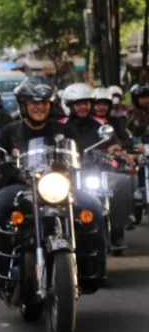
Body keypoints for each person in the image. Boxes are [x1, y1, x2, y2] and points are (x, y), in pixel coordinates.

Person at [0, 79, 107, 294]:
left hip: (59, 185)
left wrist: (94, 155)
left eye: (44, 103)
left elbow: (80, 152)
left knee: (94, 206)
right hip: (21, 186)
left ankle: (97, 267)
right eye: (33, 102)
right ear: (24, 105)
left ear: (51, 105)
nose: (39, 106)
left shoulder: (63, 129)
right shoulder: (11, 131)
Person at [61, 83, 135, 246]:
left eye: (86, 103)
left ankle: (117, 231)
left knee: (122, 182)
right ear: (70, 106)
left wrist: (121, 154)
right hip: (69, 175)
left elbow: (113, 145)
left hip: (96, 172)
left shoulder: (101, 128)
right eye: (79, 104)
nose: (83, 107)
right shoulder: (61, 128)